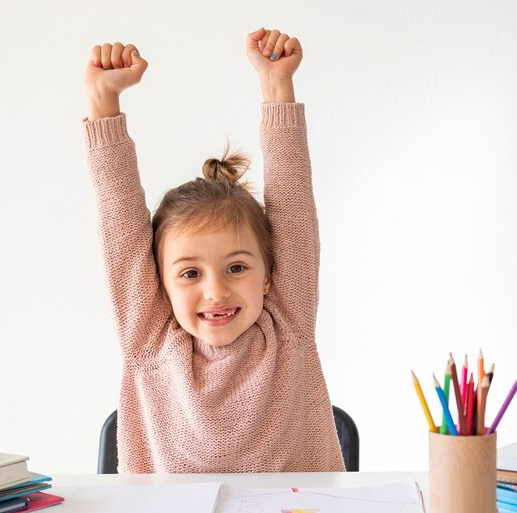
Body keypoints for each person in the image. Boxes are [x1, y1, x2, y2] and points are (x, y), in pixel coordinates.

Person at [83, 28, 345, 473]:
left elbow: (293, 199)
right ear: (158, 283)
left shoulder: (289, 322)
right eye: (189, 274)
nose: (216, 290)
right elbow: (119, 221)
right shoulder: (148, 336)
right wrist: (102, 100)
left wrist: (276, 84)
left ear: (269, 274)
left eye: (237, 267)